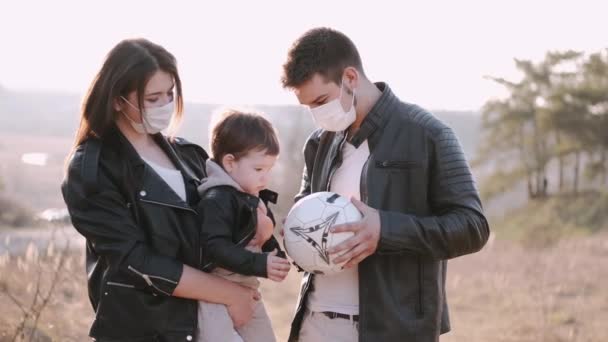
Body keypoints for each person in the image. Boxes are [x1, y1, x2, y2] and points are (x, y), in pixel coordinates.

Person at [281, 27, 490, 341]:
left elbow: (472, 226)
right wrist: (293, 233)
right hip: (315, 323)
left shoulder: (427, 135)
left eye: (321, 100)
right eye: (308, 106)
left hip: (392, 328)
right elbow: (304, 209)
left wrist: (385, 230)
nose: (317, 115)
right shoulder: (318, 144)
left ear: (350, 78)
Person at [61, 38, 258, 341]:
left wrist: (259, 221)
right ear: (117, 100)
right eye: (152, 98)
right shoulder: (93, 170)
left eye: (169, 94)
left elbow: (223, 225)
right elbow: (135, 261)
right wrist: (229, 293)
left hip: (207, 323)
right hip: (143, 330)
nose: (165, 106)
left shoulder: (190, 155)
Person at [196, 109, 291, 342]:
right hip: (214, 293)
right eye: (259, 169)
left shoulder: (254, 197)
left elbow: (263, 237)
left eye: (269, 169)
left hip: (249, 290)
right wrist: (260, 263)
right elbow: (215, 247)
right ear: (230, 163)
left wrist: (275, 255)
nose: (265, 178)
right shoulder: (216, 199)